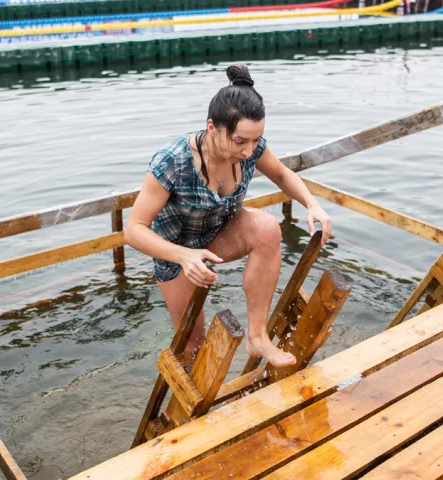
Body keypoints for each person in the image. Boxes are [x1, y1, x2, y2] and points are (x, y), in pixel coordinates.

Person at [124, 64, 332, 368]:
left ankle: (257, 337)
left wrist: (312, 204)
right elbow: (133, 230)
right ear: (212, 128)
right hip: (176, 253)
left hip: (220, 234)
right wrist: (183, 256)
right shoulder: (173, 161)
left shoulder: (251, 147)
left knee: (267, 228)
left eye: (255, 140)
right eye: (240, 142)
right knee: (191, 349)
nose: (249, 151)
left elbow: (283, 173)